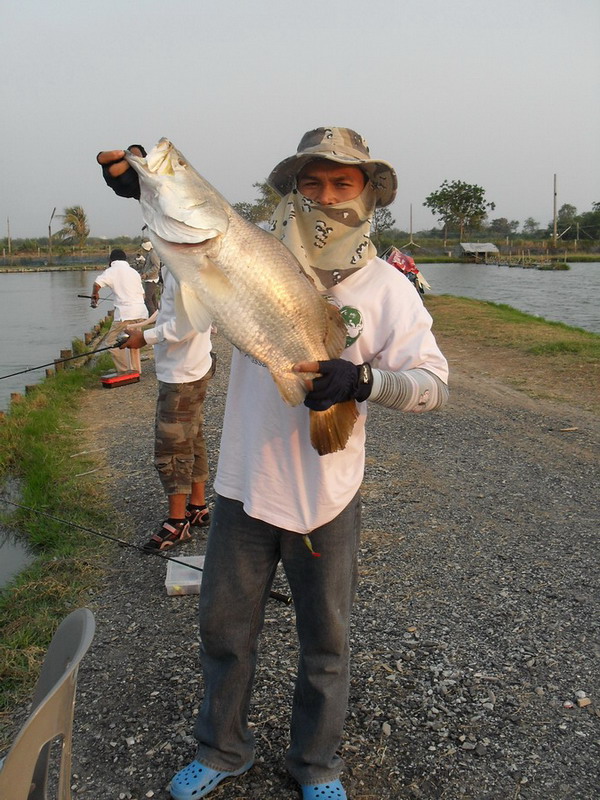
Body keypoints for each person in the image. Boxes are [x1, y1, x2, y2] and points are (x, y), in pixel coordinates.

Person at [97, 127, 449, 800]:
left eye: (342, 183)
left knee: (327, 645)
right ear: (292, 190)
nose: (325, 196)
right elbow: (196, 230)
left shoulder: (387, 287)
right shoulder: (251, 250)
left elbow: (435, 384)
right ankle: (223, 748)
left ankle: (317, 766)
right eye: (310, 183)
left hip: (330, 495)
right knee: (224, 632)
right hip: (243, 489)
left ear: (370, 192)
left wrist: (363, 383)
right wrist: (142, 185)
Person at [120, 266, 214, 550]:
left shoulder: (187, 270)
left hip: (183, 372)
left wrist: (145, 338)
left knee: (171, 448)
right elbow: (174, 312)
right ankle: (197, 506)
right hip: (191, 365)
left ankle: (177, 522)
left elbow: (189, 325)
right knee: (192, 438)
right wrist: (145, 329)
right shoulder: (178, 264)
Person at [91, 248, 148, 374]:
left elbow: (97, 284)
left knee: (110, 342)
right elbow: (143, 295)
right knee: (134, 341)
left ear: (111, 260)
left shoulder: (111, 271)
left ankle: (124, 370)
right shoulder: (133, 272)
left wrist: (95, 295)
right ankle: (136, 370)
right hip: (141, 313)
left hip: (125, 314)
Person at [140, 239, 161, 315]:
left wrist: (146, 274)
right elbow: (147, 266)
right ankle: (156, 315)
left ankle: (152, 316)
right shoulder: (149, 253)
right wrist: (143, 273)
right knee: (152, 298)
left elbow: (156, 266)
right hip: (149, 279)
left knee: (147, 299)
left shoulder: (153, 254)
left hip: (152, 279)